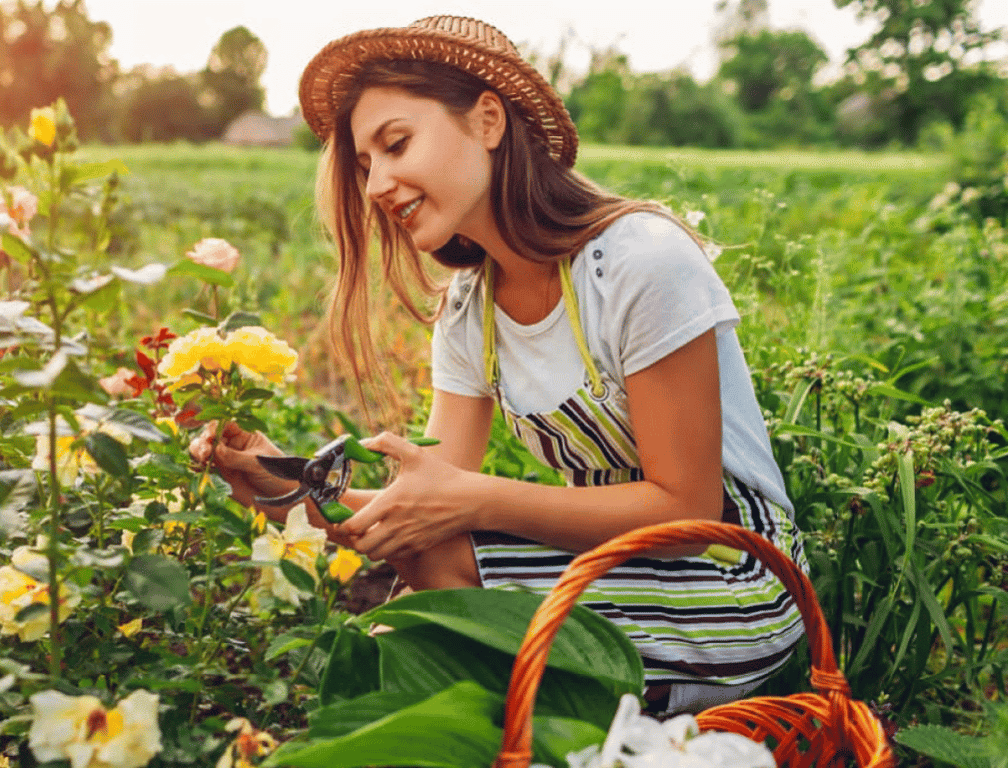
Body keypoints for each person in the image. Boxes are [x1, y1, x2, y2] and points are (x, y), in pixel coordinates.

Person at [192, 15, 807, 715]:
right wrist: (289, 487)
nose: (375, 186)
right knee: (422, 578)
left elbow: (686, 505)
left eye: (396, 144)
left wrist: (476, 499)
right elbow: (419, 515)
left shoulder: (640, 262)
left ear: (487, 120)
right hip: (624, 567)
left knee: (426, 626)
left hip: (733, 576)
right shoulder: (469, 309)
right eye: (365, 167)